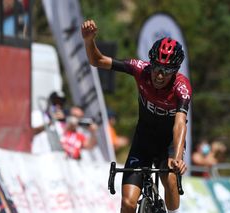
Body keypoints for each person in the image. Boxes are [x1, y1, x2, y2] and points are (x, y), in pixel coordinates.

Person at [81, 20, 192, 213]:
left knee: (172, 193)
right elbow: (97, 61)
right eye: (157, 67)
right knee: (128, 204)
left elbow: (180, 123)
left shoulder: (181, 88)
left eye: (166, 71)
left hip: (168, 146)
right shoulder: (140, 69)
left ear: (175, 72)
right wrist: (89, 40)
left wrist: (176, 157)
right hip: (144, 142)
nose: (159, 75)